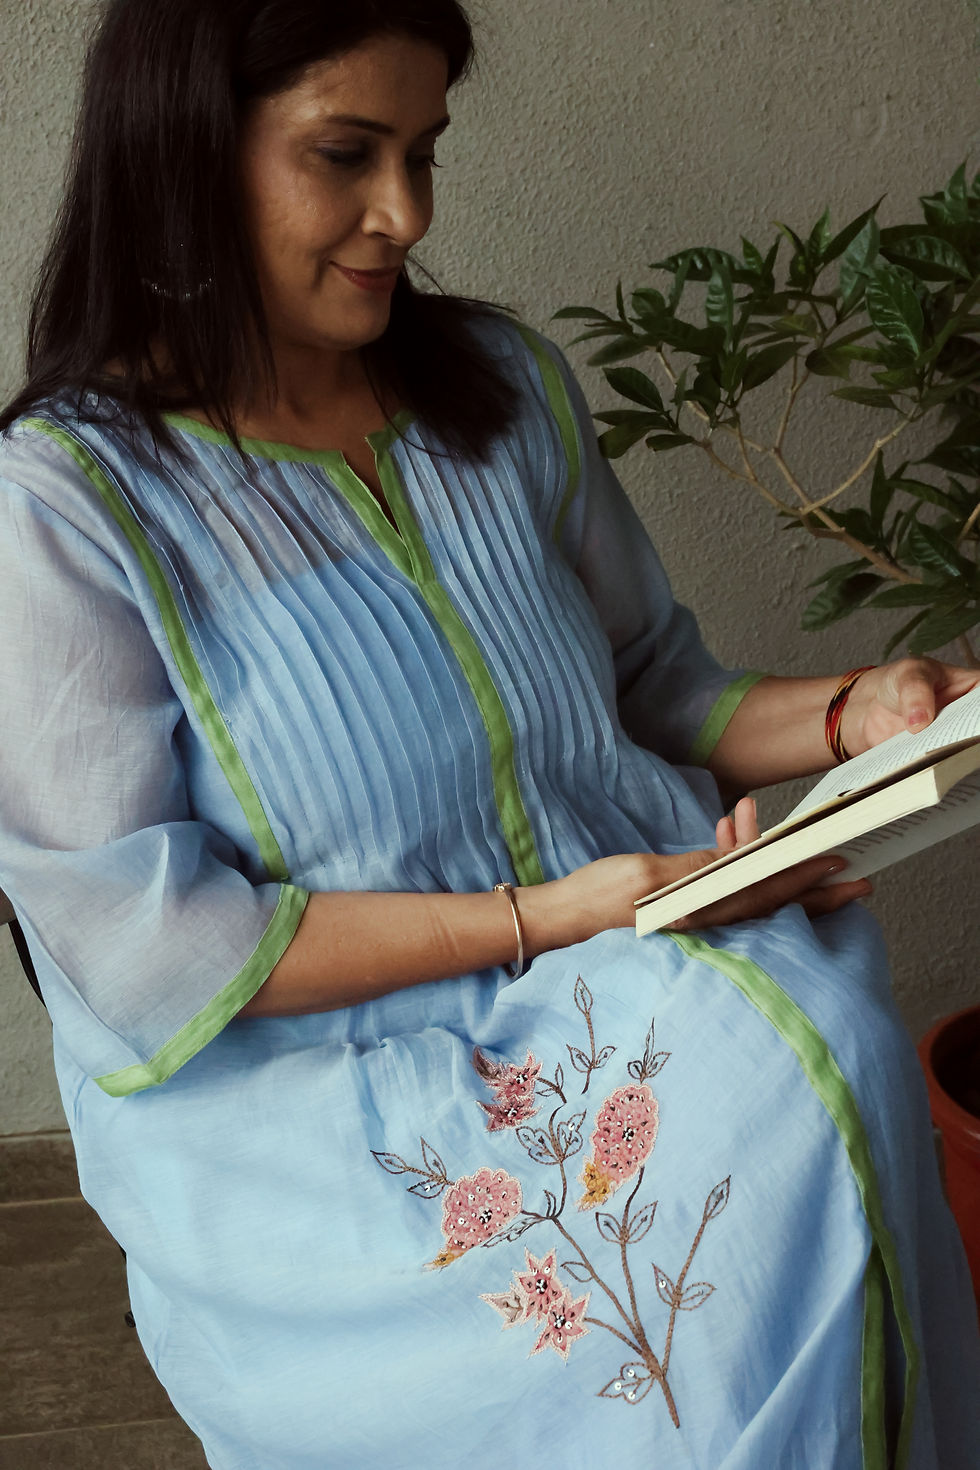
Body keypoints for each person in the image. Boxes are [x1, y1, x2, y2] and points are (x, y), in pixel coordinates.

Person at [0, 0, 978, 1465]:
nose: (405, 215)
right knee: (769, 1121)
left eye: (425, 153)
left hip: (637, 955)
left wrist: (862, 712)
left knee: (815, 1074)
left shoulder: (505, 390)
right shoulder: (70, 506)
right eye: (347, 154)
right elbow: (148, 946)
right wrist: (552, 913)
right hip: (328, 1093)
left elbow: (653, 687)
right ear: (185, 151)